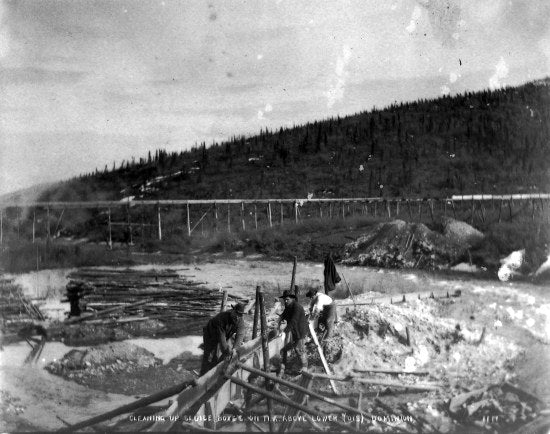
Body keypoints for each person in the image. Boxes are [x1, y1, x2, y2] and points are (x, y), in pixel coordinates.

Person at [199, 303, 245, 375]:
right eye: (237, 314)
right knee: (209, 356)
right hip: (210, 333)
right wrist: (226, 350)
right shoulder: (222, 318)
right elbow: (222, 338)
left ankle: (216, 373)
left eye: (240, 315)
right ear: (233, 311)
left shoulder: (240, 322)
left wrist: (235, 349)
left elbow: (240, 335)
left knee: (227, 354)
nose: (237, 317)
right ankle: (203, 376)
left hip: (225, 334)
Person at [278, 290, 308, 373]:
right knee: (294, 348)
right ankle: (289, 364)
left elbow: (293, 321)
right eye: (284, 299)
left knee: (300, 349)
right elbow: (284, 315)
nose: (285, 301)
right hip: (294, 330)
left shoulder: (297, 307)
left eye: (287, 299)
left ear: (292, 299)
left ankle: (305, 367)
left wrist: (285, 332)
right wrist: (280, 319)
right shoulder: (288, 306)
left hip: (300, 330)